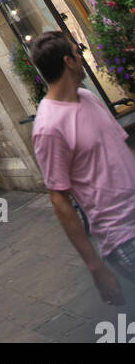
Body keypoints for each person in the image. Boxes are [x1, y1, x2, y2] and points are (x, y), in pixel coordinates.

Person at [30, 30, 135, 304]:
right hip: (123, 235)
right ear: (68, 61)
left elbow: (122, 149)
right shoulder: (49, 127)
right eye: (79, 53)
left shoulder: (88, 97)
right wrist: (95, 267)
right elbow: (59, 199)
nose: (82, 58)